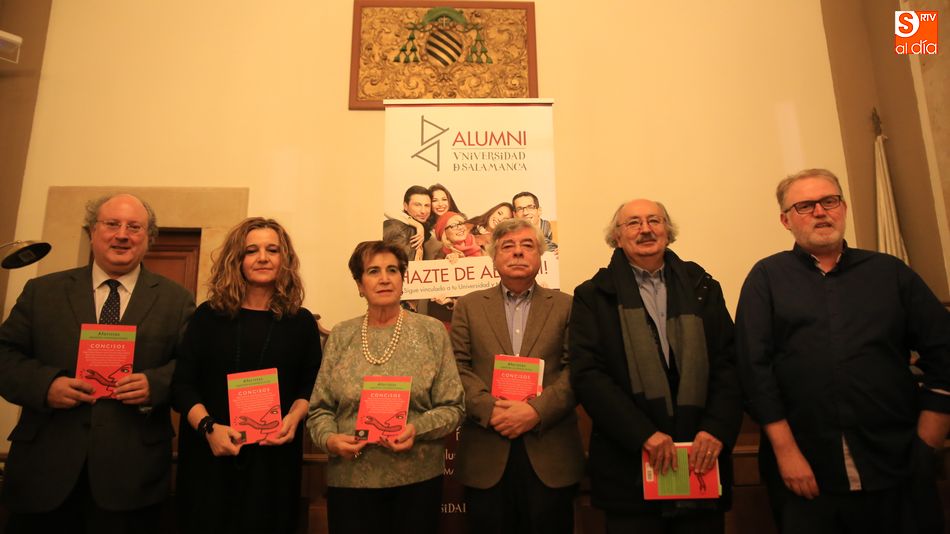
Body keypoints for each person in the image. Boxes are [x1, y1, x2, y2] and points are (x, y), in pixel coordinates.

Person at [735, 168, 950, 533]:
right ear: (785, 220)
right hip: (804, 467)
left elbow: (944, 351)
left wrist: (927, 444)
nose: (820, 211)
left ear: (843, 207)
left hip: (896, 462)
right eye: (805, 205)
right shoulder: (767, 278)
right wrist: (787, 454)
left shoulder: (890, 273)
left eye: (829, 201)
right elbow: (754, 372)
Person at [0, 193, 195, 533]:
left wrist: (156, 384)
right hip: (44, 469)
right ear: (92, 231)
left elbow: (192, 367)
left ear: (148, 239)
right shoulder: (42, 291)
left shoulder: (176, 300)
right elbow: (4, 355)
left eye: (134, 227)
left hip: (133, 477)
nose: (122, 234)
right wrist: (46, 385)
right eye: (112, 224)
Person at [569, 199, 742, 533]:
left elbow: (728, 363)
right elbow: (589, 375)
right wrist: (643, 434)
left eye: (654, 220)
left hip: (700, 460)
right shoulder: (593, 295)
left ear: (668, 231)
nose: (646, 229)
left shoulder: (702, 287)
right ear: (617, 237)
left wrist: (716, 429)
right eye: (633, 223)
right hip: (629, 468)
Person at [171, 217, 321, 533]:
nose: (262, 258)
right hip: (209, 457)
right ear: (236, 260)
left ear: (285, 260)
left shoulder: (301, 322)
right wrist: (209, 428)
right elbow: (182, 386)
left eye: (272, 250)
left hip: (273, 462)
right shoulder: (207, 316)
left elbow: (310, 385)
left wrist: (294, 419)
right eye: (251, 250)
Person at [307, 241, 465, 534]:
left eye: (393, 270)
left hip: (416, 479)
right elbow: (319, 409)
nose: (384, 278)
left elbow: (453, 407)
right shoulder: (342, 334)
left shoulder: (431, 331)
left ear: (403, 279)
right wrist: (330, 440)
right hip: (350, 479)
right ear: (359, 284)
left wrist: (416, 429)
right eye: (373, 271)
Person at [451, 217, 585, 534]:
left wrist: (536, 411)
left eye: (527, 246)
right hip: (487, 448)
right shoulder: (468, 307)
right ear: (494, 258)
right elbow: (457, 366)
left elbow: (577, 368)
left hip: (550, 450)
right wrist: (490, 409)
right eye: (508, 247)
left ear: (540, 256)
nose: (518, 253)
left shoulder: (568, 306)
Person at [383, 185, 432, 261]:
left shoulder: (426, 232)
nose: (423, 211)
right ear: (405, 206)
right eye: (417, 205)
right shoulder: (395, 225)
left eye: (427, 205)